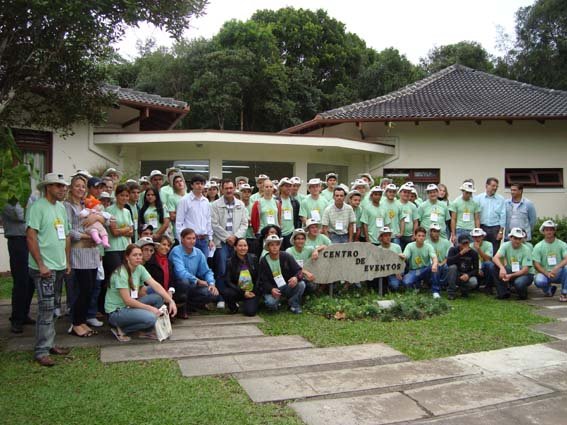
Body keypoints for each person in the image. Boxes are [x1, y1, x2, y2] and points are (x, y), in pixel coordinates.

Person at [26, 172, 72, 366]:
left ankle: (50, 343)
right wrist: (41, 264)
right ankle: (41, 351)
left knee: (54, 307)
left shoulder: (61, 208)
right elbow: (31, 236)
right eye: (58, 186)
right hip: (44, 268)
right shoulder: (37, 207)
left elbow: (67, 236)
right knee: (45, 308)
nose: (63, 189)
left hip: (59, 266)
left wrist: (67, 261)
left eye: (64, 186)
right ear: (48, 187)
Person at [104, 244, 176, 342]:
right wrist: (150, 309)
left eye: (140, 255)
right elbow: (128, 301)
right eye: (134, 255)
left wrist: (171, 301)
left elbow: (155, 284)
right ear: (127, 257)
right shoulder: (121, 273)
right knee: (151, 317)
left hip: (129, 306)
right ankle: (121, 329)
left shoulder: (139, 268)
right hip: (117, 311)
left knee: (158, 298)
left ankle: (144, 330)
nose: (138, 257)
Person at [64, 175, 105, 337]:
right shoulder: (67, 206)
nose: (81, 189)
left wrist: (97, 217)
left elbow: (106, 220)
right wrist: (87, 237)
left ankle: (82, 321)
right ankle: (75, 323)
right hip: (79, 252)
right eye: (77, 186)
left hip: (93, 253)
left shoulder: (88, 203)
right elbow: (69, 231)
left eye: (83, 186)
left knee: (90, 289)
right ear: (71, 188)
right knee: (81, 289)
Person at [211, 179, 249, 308]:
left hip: (236, 244)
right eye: (226, 188)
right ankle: (221, 298)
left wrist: (236, 237)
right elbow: (214, 224)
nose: (229, 190)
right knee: (222, 270)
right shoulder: (215, 205)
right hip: (222, 243)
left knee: (236, 271)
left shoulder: (241, 204)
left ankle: (235, 297)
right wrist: (228, 237)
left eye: (231, 188)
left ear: (234, 189)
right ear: (221, 189)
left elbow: (245, 224)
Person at [3, 200, 35, 334]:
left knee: (31, 280)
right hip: (17, 240)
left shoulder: (28, 198)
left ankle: (24, 314)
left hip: (30, 239)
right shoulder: (8, 201)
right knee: (21, 281)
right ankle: (16, 319)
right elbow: (20, 215)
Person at [170, 228, 219, 312]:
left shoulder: (198, 252)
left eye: (194, 238)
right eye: (188, 238)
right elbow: (180, 272)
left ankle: (189, 305)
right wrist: (198, 281)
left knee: (212, 293)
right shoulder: (176, 251)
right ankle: (181, 307)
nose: (192, 241)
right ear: (182, 239)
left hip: (192, 284)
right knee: (184, 281)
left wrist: (211, 283)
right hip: (176, 286)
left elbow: (206, 271)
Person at [102, 184, 134, 314]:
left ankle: (123, 303)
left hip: (125, 248)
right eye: (122, 195)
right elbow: (113, 232)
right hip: (113, 249)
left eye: (127, 195)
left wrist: (125, 231)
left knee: (125, 277)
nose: (124, 198)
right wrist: (125, 230)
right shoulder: (110, 210)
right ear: (116, 196)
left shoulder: (127, 211)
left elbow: (132, 231)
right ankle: (108, 307)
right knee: (114, 277)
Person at [258, 234, 305, 314]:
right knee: (271, 304)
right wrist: (271, 289)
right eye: (272, 245)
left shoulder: (286, 256)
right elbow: (262, 280)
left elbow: (299, 271)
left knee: (301, 284)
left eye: (277, 244)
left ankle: (294, 304)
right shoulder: (263, 261)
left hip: (286, 285)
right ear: (268, 247)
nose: (275, 247)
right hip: (273, 289)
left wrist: (296, 278)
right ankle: (279, 302)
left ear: (280, 246)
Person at [175, 174, 215, 258]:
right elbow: (179, 222)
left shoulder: (206, 201)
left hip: (204, 240)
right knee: (190, 266)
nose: (200, 186)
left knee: (203, 267)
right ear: (192, 185)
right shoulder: (184, 200)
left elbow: (208, 221)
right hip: (190, 240)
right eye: (197, 183)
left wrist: (211, 239)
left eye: (202, 183)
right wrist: (181, 240)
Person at [492, 227, 534, 300]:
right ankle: (503, 293)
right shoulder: (505, 245)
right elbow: (495, 258)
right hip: (511, 269)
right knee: (495, 267)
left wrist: (510, 275)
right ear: (510, 238)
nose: (517, 241)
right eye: (515, 238)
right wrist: (502, 268)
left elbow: (525, 270)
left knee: (519, 283)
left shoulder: (526, 249)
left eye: (520, 239)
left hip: (526, 274)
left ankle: (523, 294)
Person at [222, 238, 260, 315]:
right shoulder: (230, 262)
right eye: (240, 246)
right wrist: (243, 292)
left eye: (245, 245)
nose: (243, 248)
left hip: (252, 291)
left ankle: (249, 304)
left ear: (248, 247)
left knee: (250, 312)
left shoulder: (254, 258)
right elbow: (228, 281)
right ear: (235, 247)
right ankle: (234, 307)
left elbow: (258, 277)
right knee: (226, 292)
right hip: (238, 291)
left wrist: (253, 291)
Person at [532, 220, 567, 300]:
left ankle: (565, 293)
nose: (549, 231)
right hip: (545, 273)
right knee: (538, 280)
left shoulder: (562, 244)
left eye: (551, 229)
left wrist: (556, 268)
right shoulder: (538, 246)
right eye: (547, 230)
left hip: (559, 272)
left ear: (554, 231)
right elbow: (536, 264)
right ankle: (549, 290)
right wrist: (547, 273)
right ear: (543, 231)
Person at [400, 227, 439, 297]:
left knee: (435, 267)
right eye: (419, 235)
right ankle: (417, 286)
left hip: (426, 269)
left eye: (423, 236)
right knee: (406, 282)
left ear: (425, 237)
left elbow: (434, 257)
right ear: (415, 236)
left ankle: (435, 291)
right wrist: (402, 256)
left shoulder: (428, 246)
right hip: (414, 270)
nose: (421, 238)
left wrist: (435, 264)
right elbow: (406, 255)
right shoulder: (410, 246)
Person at [474, 178, 506, 255]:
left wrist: (501, 232)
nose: (495, 188)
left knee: (494, 251)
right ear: (486, 186)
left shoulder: (501, 199)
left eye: (496, 186)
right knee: (482, 249)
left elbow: (503, 216)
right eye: (493, 186)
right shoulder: (478, 198)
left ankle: (492, 266)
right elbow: (476, 215)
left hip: (495, 228)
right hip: (482, 227)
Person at [446, 235, 479, 300]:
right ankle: (451, 293)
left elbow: (476, 269)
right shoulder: (453, 250)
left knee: (474, 282)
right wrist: (460, 254)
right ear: (459, 243)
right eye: (463, 243)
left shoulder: (473, 253)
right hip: (456, 274)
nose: (465, 245)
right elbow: (449, 262)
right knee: (452, 267)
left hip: (466, 274)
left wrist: (468, 275)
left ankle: (464, 290)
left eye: (467, 243)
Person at [427, 222, 452, 294]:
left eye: (438, 231)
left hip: (443, 263)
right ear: (430, 232)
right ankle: (434, 285)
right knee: (433, 267)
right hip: (431, 264)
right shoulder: (426, 243)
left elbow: (448, 257)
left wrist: (441, 263)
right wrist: (435, 264)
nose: (436, 233)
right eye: (434, 231)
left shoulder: (446, 242)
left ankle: (442, 285)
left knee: (448, 267)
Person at [470, 228, 496, 294]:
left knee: (489, 264)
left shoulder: (488, 244)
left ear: (483, 237)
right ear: (472, 237)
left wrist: (478, 249)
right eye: (475, 237)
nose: (477, 239)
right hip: (474, 268)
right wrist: (477, 269)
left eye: (479, 236)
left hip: (484, 267)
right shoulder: (470, 246)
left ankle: (488, 287)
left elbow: (488, 259)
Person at [277, 177, 301, 249]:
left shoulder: (295, 202)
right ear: (280, 187)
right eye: (286, 186)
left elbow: (297, 219)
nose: (289, 188)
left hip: (291, 233)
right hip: (279, 233)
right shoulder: (275, 201)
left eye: (290, 186)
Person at [377, 227, 403, 292]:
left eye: (389, 235)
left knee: (395, 286)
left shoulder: (397, 247)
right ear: (380, 238)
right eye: (385, 236)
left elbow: (401, 261)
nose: (388, 237)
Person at [165, 173, 187, 242]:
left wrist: (178, 212)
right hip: (178, 230)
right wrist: (187, 213)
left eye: (181, 181)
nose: (179, 183)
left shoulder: (189, 196)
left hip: (190, 230)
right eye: (177, 182)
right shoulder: (171, 198)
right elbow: (172, 217)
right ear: (173, 185)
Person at [398, 183, 419, 250]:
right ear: (400, 193)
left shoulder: (413, 206)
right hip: (398, 236)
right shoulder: (396, 204)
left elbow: (415, 222)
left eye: (408, 192)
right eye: (404, 192)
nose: (406, 194)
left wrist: (414, 234)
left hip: (410, 236)